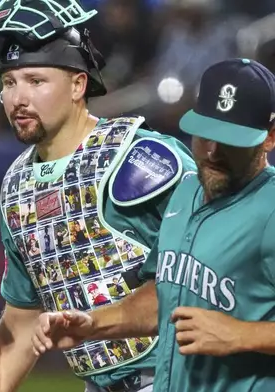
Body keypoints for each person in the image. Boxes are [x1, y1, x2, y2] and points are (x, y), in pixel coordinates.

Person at [0, 1, 196, 391]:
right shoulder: (18, 184)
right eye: (9, 82)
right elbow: (20, 324)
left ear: (78, 84)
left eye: (36, 81)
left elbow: (201, 280)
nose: (18, 97)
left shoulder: (143, 160)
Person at [32, 58, 275, 391]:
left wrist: (242, 334)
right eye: (206, 135)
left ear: (270, 138)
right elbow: (166, 296)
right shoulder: (187, 190)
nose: (213, 151)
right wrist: (94, 324)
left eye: (231, 140)